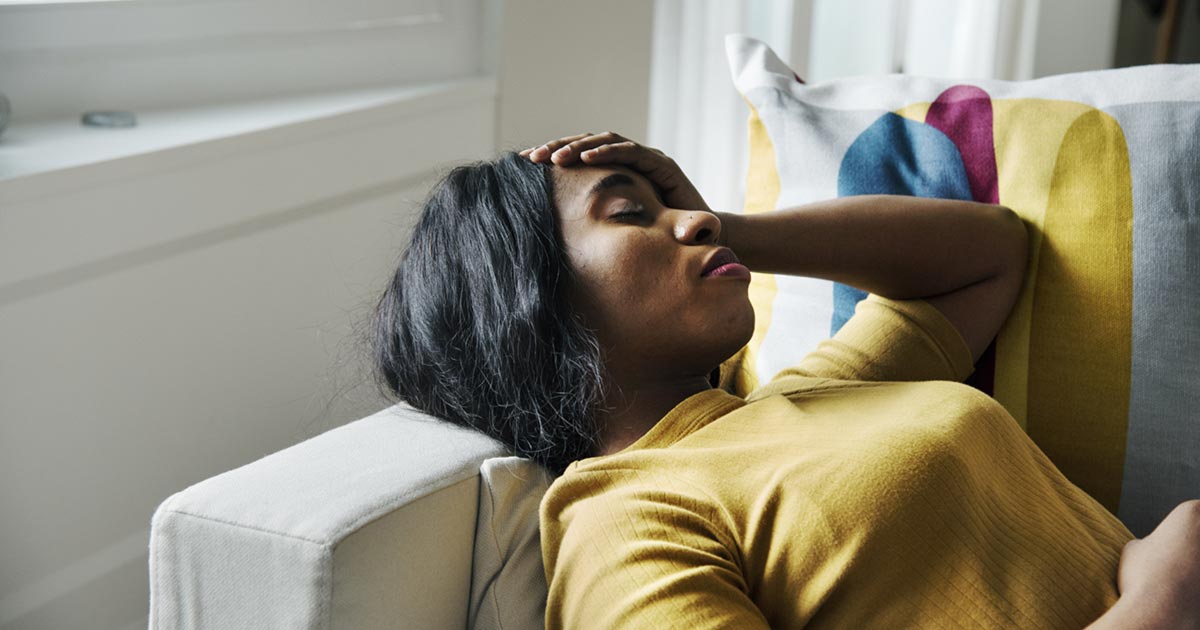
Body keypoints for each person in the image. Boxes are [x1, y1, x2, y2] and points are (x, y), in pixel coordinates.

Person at [372, 131, 1200, 628]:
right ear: (527, 303)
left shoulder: (810, 395)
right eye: (628, 214)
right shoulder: (624, 522)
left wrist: (731, 233)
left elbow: (989, 254)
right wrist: (1161, 604)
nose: (685, 217)